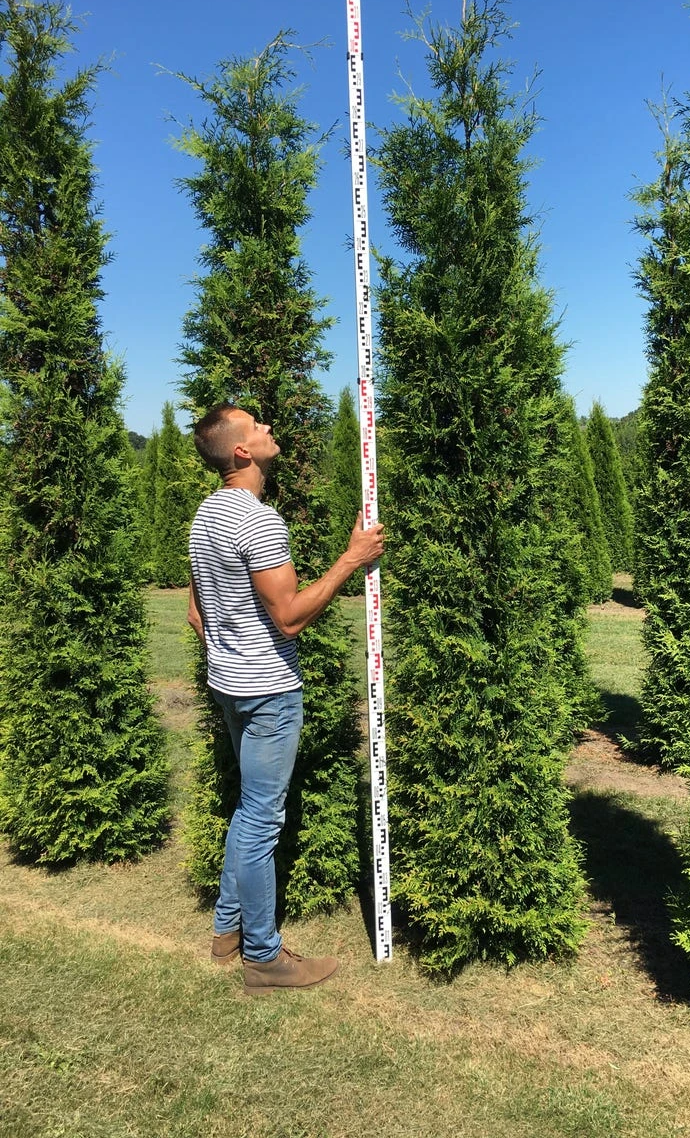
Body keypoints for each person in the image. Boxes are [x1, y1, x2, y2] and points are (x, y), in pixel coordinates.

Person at [187, 403, 385, 995]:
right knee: (262, 820)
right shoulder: (258, 522)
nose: (269, 429)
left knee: (248, 811)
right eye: (258, 427)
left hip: (228, 686)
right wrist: (352, 559)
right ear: (242, 452)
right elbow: (291, 618)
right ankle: (263, 957)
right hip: (269, 690)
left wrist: (228, 650)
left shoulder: (203, 517)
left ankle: (226, 930)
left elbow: (197, 612)